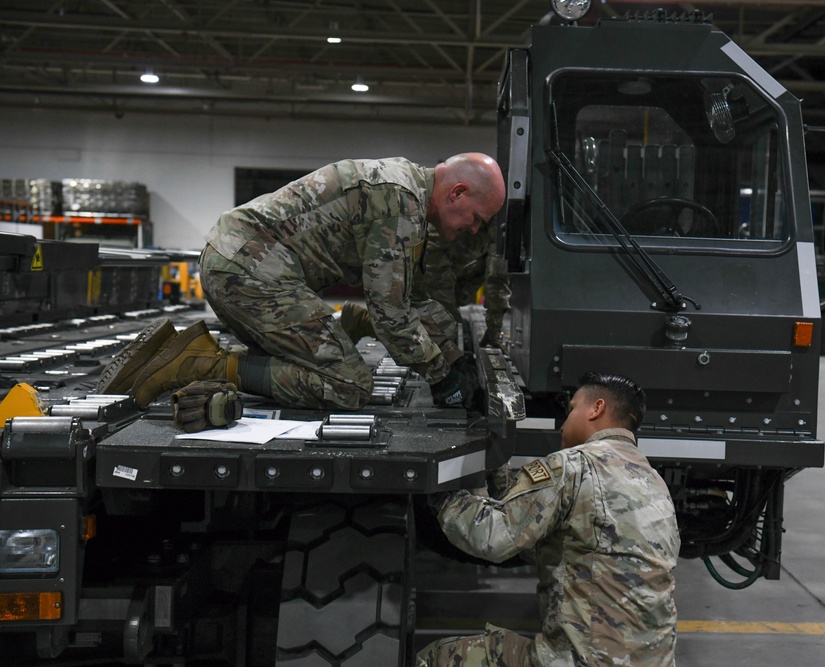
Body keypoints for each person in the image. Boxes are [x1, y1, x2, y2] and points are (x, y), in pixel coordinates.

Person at [96, 153, 506, 411]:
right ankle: (200, 361)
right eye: (476, 219)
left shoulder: (409, 199)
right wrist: (441, 375)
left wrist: (454, 357)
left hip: (242, 263)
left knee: (303, 366)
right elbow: (392, 315)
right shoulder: (399, 204)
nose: (473, 231)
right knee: (348, 385)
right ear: (457, 192)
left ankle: (168, 357)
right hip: (252, 271)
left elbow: (411, 297)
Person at [417, 372, 680, 667]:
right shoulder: (653, 482)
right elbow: (564, 547)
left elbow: (491, 538)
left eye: (571, 409)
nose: (563, 423)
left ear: (597, 409)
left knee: (435, 658)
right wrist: (498, 476)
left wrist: (441, 493)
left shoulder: (574, 465)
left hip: (582, 662)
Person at [340, 214, 510, 349]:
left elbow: (496, 274)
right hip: (431, 261)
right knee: (439, 333)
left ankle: (361, 320)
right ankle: (361, 321)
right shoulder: (497, 213)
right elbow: (496, 277)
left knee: (434, 329)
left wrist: (493, 328)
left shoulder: (501, 215)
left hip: (455, 268)